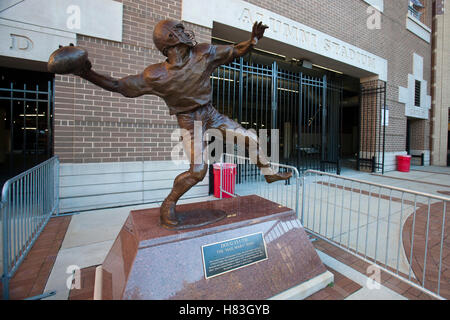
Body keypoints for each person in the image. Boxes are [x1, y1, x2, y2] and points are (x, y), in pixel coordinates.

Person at [64, 20, 292, 228]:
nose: (185, 31)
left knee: (251, 139)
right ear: (171, 38)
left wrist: (254, 39)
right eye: (179, 29)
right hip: (190, 122)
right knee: (198, 172)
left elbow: (236, 50)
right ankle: (169, 203)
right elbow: (118, 85)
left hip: (211, 114)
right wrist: (86, 73)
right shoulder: (155, 75)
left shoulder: (203, 53)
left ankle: (268, 172)